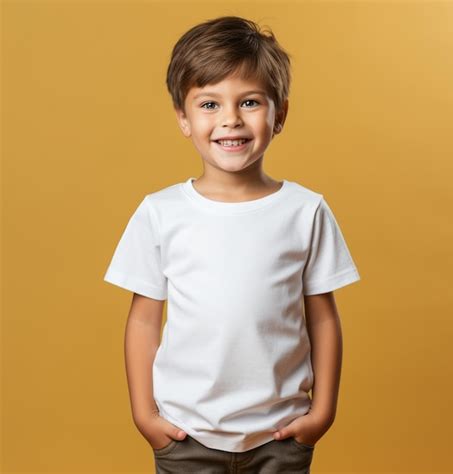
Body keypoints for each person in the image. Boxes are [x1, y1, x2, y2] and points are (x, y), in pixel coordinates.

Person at [103, 15, 361, 474]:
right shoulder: (160, 213)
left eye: (249, 102)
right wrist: (145, 414)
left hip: (281, 434)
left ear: (279, 113)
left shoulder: (306, 211)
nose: (230, 120)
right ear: (183, 118)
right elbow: (144, 320)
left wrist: (322, 411)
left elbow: (322, 317)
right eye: (208, 104)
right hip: (186, 435)